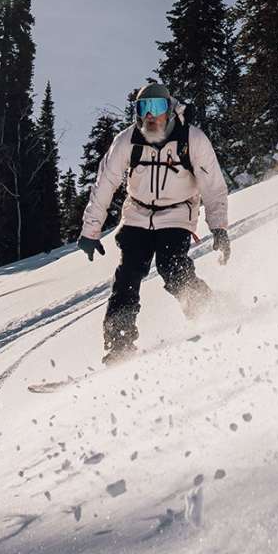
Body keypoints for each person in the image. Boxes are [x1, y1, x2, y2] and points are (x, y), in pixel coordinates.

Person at [78, 82, 232, 363]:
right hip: (137, 214)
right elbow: (105, 182)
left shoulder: (192, 140)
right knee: (127, 275)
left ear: (170, 109)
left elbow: (213, 186)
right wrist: (90, 230)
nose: (150, 115)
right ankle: (119, 344)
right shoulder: (127, 140)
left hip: (177, 214)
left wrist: (219, 227)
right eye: (143, 108)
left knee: (172, 267)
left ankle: (208, 310)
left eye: (157, 107)